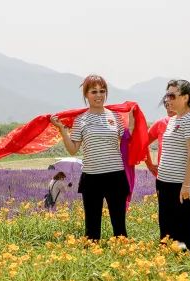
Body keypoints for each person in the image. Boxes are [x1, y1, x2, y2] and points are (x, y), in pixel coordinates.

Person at [51, 75, 134, 240]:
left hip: (115, 176)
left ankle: (124, 258)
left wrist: (131, 122)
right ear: (86, 95)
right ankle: (92, 256)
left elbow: (126, 141)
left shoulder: (115, 117)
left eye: (102, 91)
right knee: (92, 229)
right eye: (94, 91)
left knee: (120, 228)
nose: (99, 95)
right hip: (91, 178)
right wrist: (62, 130)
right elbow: (73, 149)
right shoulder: (80, 120)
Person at [154, 79, 190, 251]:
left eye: (172, 96)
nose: (168, 100)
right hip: (164, 183)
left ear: (185, 97)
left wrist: (185, 185)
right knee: (167, 230)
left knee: (183, 231)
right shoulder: (174, 119)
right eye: (167, 95)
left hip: (180, 185)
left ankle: (187, 267)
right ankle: (169, 265)